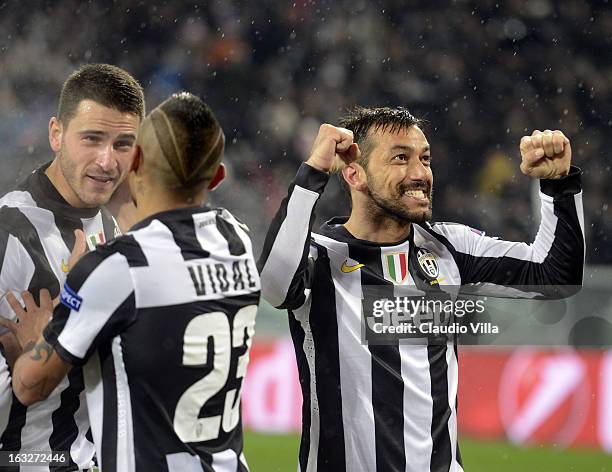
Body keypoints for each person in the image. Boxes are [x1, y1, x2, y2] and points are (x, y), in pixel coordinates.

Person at [258, 106, 584, 472]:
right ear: (354, 173)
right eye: (401, 158)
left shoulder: (450, 247)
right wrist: (313, 172)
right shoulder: (321, 256)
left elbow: (556, 277)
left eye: (425, 159)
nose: (420, 174)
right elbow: (274, 285)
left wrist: (559, 185)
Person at [6, 92, 260, 472]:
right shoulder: (237, 239)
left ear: (135, 161)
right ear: (219, 177)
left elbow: (29, 386)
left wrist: (59, 308)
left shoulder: (116, 267)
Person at [0, 63, 144, 470]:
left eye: (123, 144)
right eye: (92, 139)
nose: (107, 161)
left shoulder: (114, 233)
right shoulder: (9, 233)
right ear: (56, 134)